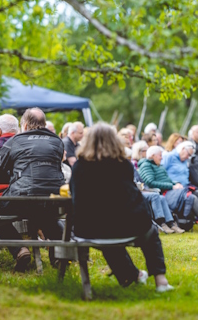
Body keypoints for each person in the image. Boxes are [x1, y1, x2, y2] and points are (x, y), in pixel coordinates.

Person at [70, 123, 173, 292]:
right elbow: (133, 198)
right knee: (151, 233)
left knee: (106, 233)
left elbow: (76, 199)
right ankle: (160, 281)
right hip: (125, 226)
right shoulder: (122, 165)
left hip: (89, 229)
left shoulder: (80, 167)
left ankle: (131, 275)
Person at [0, 108, 66, 271]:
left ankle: (19, 249)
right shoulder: (57, 142)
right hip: (53, 195)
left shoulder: (15, 141)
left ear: (24, 125)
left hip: (23, 194)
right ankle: (58, 255)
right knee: (46, 216)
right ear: (44, 125)